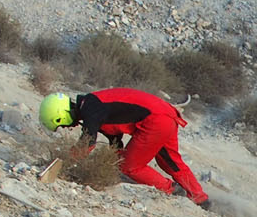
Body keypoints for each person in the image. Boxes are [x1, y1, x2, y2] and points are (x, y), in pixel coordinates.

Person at [40, 89, 210, 209]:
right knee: (170, 162)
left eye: (61, 125)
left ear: (61, 115)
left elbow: (87, 144)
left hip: (156, 119)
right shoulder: (93, 104)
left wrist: (63, 164)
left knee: (129, 166)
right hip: (166, 114)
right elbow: (115, 141)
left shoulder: (90, 110)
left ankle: (172, 190)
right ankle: (200, 198)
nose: (66, 128)